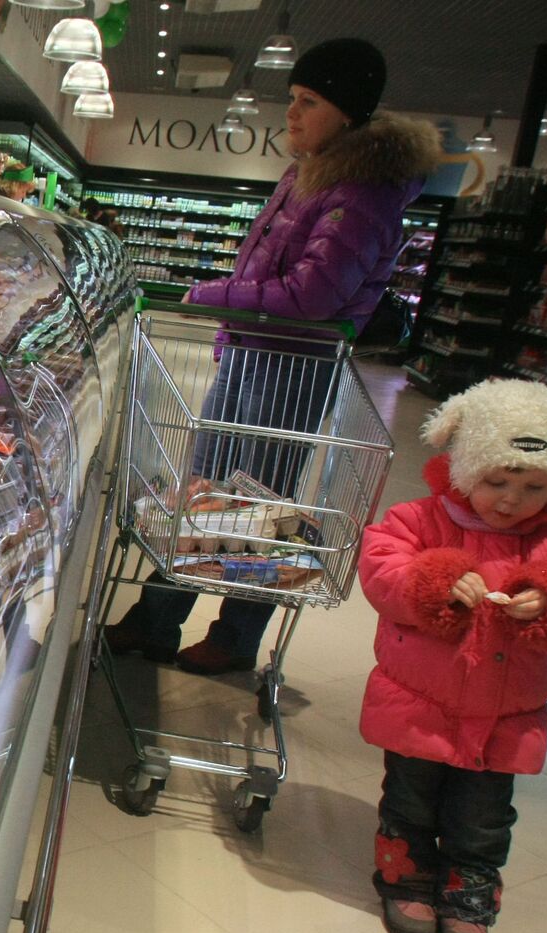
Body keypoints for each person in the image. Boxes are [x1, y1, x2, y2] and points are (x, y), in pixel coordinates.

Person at [103, 37, 440, 674]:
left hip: (292, 369)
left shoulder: (362, 193)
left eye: (309, 101)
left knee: (259, 509)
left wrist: (209, 296)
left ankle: (234, 638)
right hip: (254, 355)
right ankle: (156, 620)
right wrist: (230, 321)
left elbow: (313, 296)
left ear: (348, 113)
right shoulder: (308, 173)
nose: (292, 112)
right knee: (205, 495)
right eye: (293, 98)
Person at [359, 379, 547, 933]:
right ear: (464, 468)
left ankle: (470, 886)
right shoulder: (417, 519)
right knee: (410, 794)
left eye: (534, 487)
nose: (511, 501)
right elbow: (381, 567)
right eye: (496, 481)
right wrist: (432, 581)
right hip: (419, 701)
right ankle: (406, 873)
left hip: (508, 711)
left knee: (484, 813)